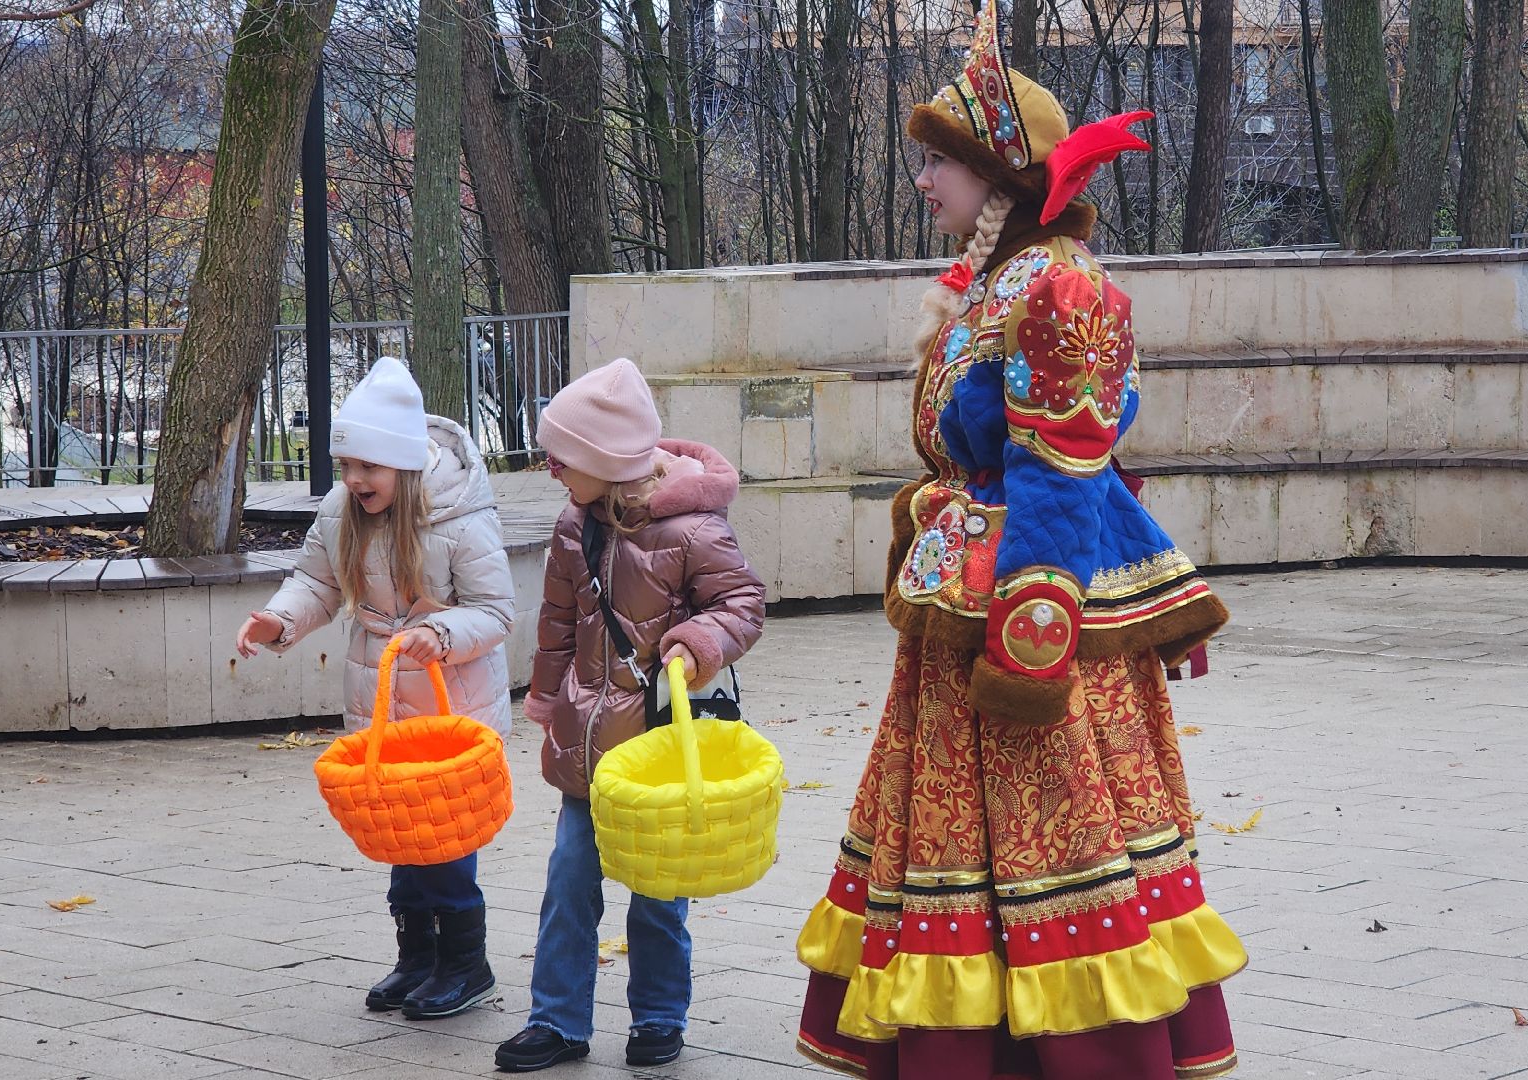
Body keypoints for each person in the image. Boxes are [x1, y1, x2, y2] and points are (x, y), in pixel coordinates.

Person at [791, 4, 1247, 1076]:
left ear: (997, 175)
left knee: (1058, 839)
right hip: (964, 620)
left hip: (1024, 631)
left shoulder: (1057, 287)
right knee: (959, 849)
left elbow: (1067, 473)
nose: (920, 183)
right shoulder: (991, 287)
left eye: (935, 165)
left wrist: (1033, 636)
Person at [494, 358, 765, 1073]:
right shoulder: (571, 525)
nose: (552, 469)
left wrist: (697, 641)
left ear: (607, 463)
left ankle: (658, 1017)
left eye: (564, 458)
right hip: (588, 741)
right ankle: (556, 1020)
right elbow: (557, 619)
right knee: (568, 883)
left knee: (657, 893)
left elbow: (742, 605)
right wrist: (547, 699)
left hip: (661, 748)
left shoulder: (694, 530)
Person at [237, 356, 515, 1020]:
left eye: (369, 466)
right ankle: (416, 958)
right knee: (399, 834)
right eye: (348, 466)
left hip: (451, 706)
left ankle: (466, 964)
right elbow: (317, 581)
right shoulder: (343, 513)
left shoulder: (459, 518)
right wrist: (279, 620)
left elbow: (498, 612)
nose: (355, 479)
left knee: (443, 842)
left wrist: (443, 634)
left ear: (404, 463)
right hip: (383, 703)